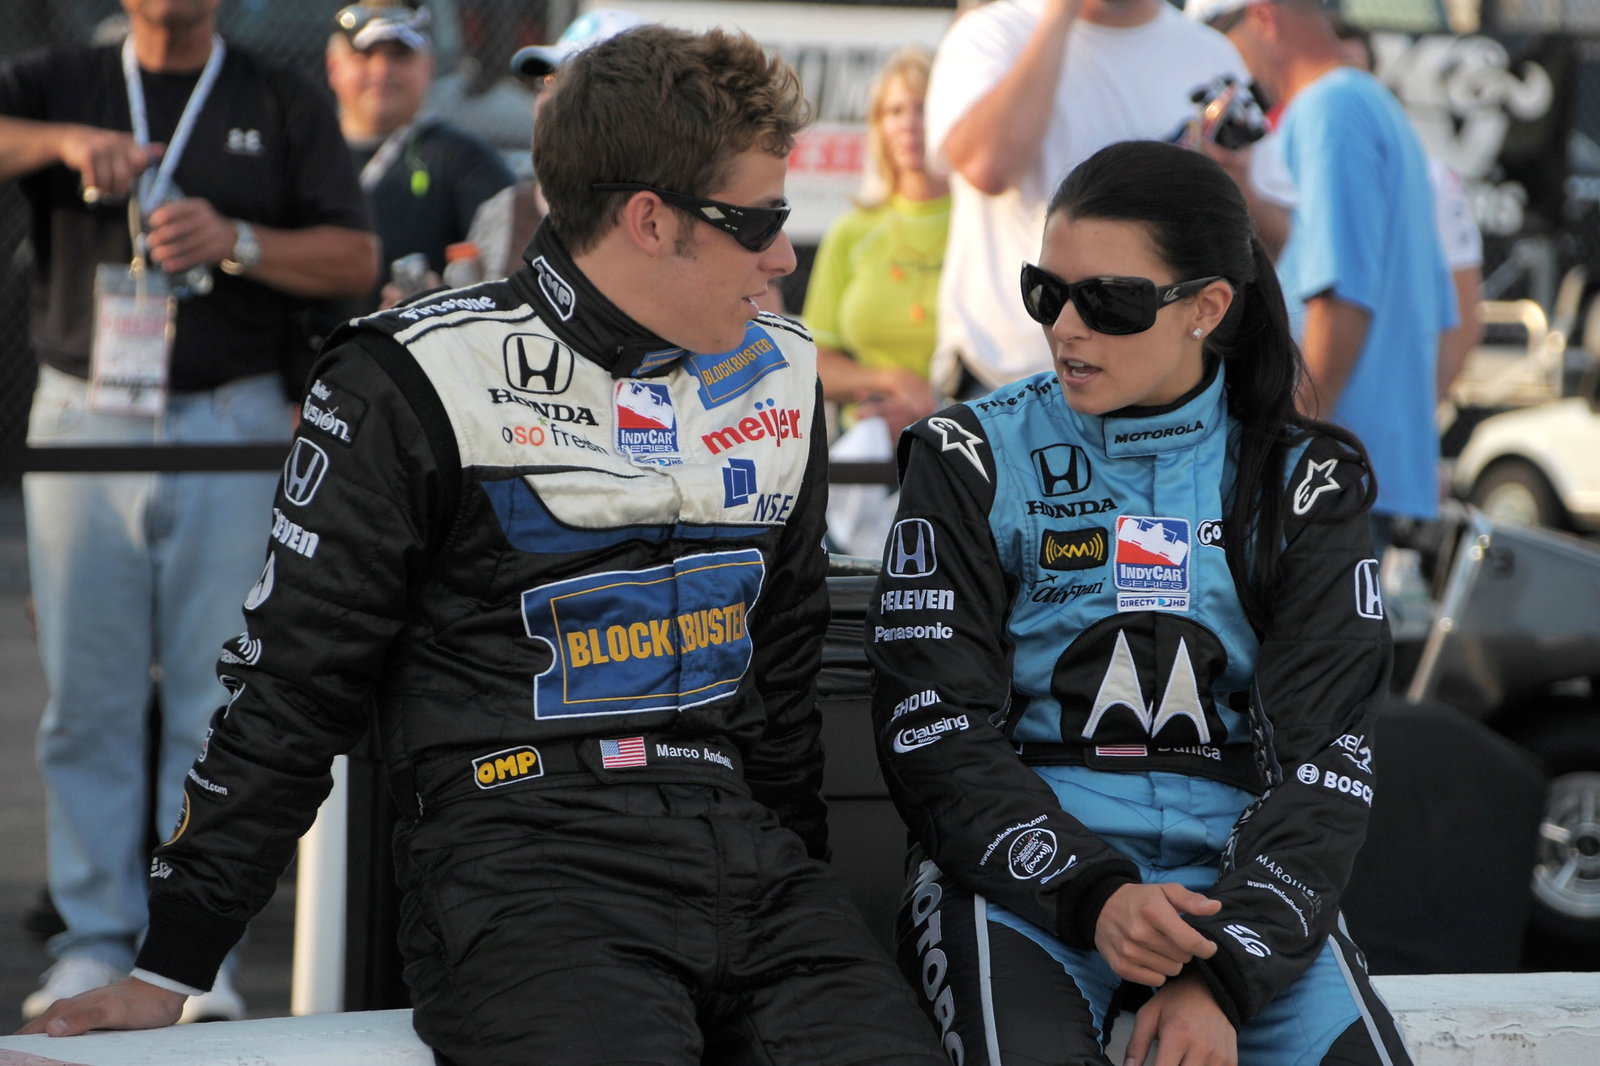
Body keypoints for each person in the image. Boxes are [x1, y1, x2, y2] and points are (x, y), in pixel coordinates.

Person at [21, 25, 947, 1066]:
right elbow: (289, 686)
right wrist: (170, 967)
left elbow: (779, 680)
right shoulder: (411, 377)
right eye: (758, 220)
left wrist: (802, 888)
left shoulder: (780, 371)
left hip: (749, 859)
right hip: (524, 858)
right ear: (650, 219)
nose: (783, 255)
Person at [865, 139, 1412, 1065]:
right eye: (1048, 293)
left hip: (1238, 890)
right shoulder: (971, 457)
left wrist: (1223, 972)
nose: (1067, 327)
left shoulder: (1307, 482)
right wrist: (1096, 895)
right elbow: (935, 730)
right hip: (1027, 882)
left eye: (1109, 302)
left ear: (1207, 308)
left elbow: (1326, 763)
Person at [0, 0, 376, 1023]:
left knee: (220, 701)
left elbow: (353, 257)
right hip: (86, 409)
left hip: (233, 414)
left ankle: (180, 960)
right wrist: (65, 143)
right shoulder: (60, 81)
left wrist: (239, 238)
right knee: (89, 696)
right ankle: (89, 944)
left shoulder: (280, 93)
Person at [1188, 0, 1456, 549]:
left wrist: (1288, 449)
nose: (1220, 61)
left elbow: (1342, 294)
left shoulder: (1327, 109)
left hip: (1327, 481)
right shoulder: (1372, 103)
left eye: (1221, 34)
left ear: (1263, 16)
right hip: (1366, 470)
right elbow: (1438, 309)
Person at [924, 0, 1248, 398]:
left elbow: (1266, 235)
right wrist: (1059, 16)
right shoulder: (992, 32)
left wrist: (1226, 180)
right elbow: (988, 166)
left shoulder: (1209, 51)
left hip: (1160, 399)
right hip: (1001, 386)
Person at [801, 46, 947, 557]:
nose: (909, 124)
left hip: (966, 453)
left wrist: (938, 406)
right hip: (869, 469)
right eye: (894, 111)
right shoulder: (851, 231)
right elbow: (813, 359)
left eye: (924, 107)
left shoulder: (983, 225)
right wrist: (887, 384)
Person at [1329, 17, 1484, 402]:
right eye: (1332, 76)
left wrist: (1420, 413)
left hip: (1379, 411)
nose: (1344, 91)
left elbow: (1464, 313)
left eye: (1357, 76)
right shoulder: (1276, 163)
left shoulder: (1430, 178)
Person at [325, 0, 513, 308]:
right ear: (333, 66)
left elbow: (509, 269)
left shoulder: (463, 160)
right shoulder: (300, 151)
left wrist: (445, 301)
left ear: (428, 67)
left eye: (400, 55)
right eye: (365, 54)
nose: (382, 70)